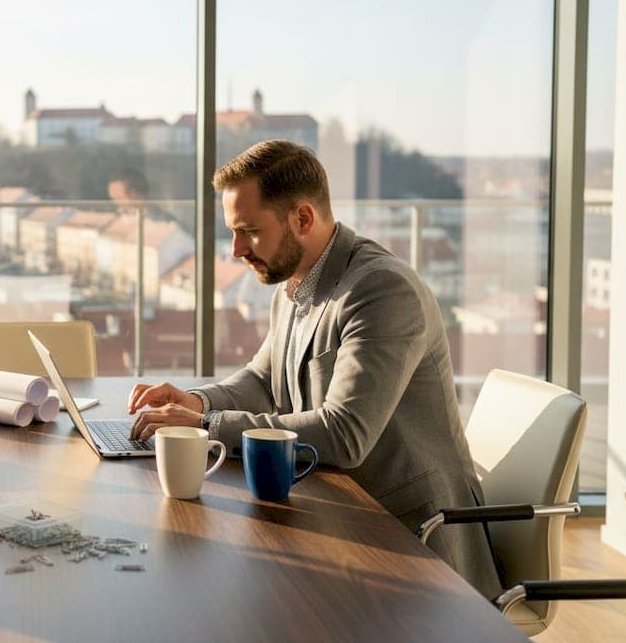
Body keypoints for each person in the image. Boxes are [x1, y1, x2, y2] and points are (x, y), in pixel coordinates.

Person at [126, 139, 502, 598]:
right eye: (233, 233)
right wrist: (198, 400)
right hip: (334, 509)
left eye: (249, 231)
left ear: (302, 218)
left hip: (410, 540)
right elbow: (264, 378)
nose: (236, 250)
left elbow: (344, 434)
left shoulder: (382, 290)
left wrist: (206, 425)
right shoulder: (294, 279)